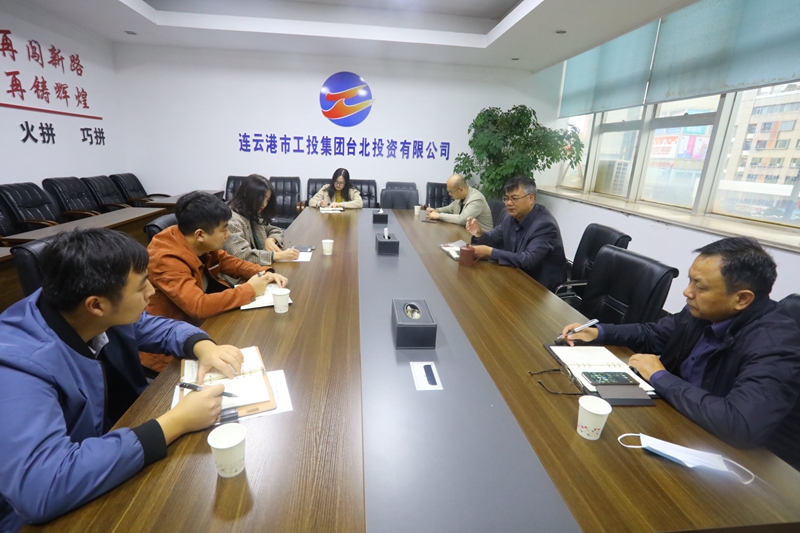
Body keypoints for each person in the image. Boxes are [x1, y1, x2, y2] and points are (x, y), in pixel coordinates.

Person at [0, 229, 244, 532]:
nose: (152, 292)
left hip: (114, 447)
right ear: (96, 305)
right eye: (142, 287)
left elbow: (161, 329)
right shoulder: (16, 364)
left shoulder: (87, 309)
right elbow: (41, 488)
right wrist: (176, 422)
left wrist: (203, 346)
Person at [560, 237, 800, 470]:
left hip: (729, 461)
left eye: (700, 287)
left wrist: (660, 377)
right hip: (675, 418)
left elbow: (740, 424)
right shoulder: (705, 311)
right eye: (690, 281)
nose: (687, 292)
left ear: (742, 299)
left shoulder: (776, 344)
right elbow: (654, 333)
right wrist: (600, 332)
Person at [146, 191, 287, 371]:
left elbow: (229, 262)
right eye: (224, 229)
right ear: (200, 234)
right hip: (169, 350)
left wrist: (264, 272)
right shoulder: (165, 258)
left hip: (200, 328)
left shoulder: (198, 241)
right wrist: (250, 289)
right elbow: (198, 306)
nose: (228, 234)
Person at [465, 175, 566, 292]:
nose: (508, 203)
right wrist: (479, 233)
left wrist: (490, 252)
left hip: (541, 289)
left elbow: (528, 260)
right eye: (506, 198)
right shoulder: (509, 217)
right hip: (516, 276)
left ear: (531, 198)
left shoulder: (545, 225)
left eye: (514, 198)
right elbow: (493, 238)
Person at [222, 174, 300, 285]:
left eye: (267, 200)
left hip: (258, 270)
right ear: (247, 194)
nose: (264, 204)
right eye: (261, 198)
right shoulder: (232, 220)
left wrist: (271, 239)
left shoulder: (252, 213)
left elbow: (275, 230)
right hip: (237, 280)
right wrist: (276, 256)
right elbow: (242, 256)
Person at [426, 173, 492, 232]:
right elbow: (451, 208)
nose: (449, 194)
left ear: (460, 189)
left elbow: (462, 219)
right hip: (464, 232)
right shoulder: (461, 196)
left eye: (451, 191)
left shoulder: (476, 199)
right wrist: (437, 210)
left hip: (480, 238)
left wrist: (439, 216)